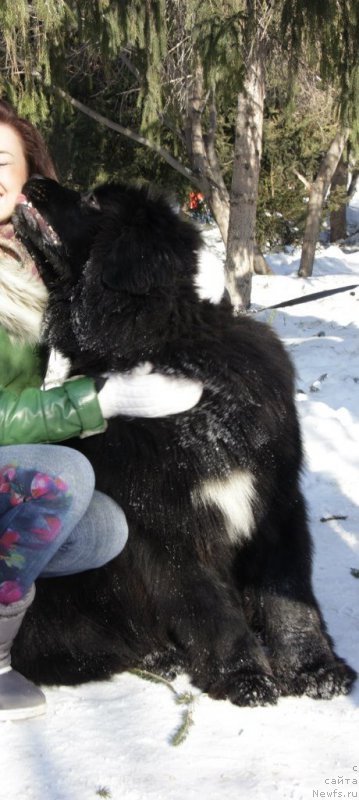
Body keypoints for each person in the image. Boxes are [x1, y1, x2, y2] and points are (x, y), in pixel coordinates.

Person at [0, 100, 203, 721]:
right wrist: (101, 399)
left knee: (102, 528)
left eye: (0, 160)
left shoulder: (30, 259)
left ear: (29, 172)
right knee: (63, 477)